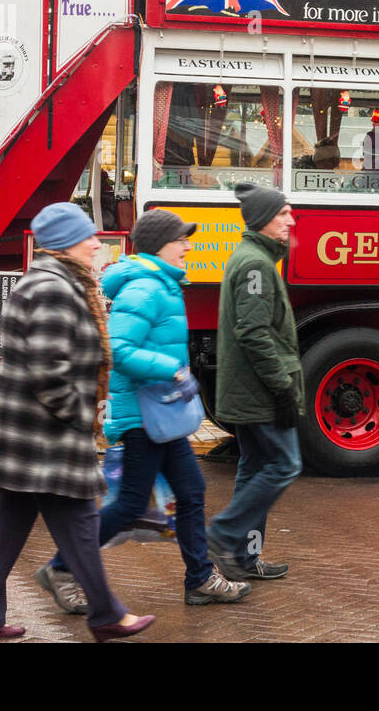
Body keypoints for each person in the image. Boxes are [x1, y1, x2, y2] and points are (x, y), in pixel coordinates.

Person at [37, 209, 249, 614]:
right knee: (131, 505)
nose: (188, 246)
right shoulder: (145, 289)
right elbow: (120, 351)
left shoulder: (161, 285)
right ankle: (62, 567)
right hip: (143, 418)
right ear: (160, 245)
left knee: (191, 493)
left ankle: (200, 579)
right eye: (181, 240)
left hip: (159, 416)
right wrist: (172, 370)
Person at [0, 202, 153, 642]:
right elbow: (49, 369)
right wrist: (83, 416)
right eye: (89, 237)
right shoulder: (53, 287)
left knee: (11, 527)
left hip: (28, 437)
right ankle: (107, 614)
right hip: (45, 437)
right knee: (81, 522)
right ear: (66, 242)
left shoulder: (57, 282)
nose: (96, 244)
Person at [206, 181, 303, 581]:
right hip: (258, 392)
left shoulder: (255, 258)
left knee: (254, 467)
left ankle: (245, 559)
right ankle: (224, 533)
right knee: (284, 464)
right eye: (283, 214)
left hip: (250, 390)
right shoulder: (256, 265)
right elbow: (254, 332)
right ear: (263, 219)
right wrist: (281, 387)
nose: (291, 220)